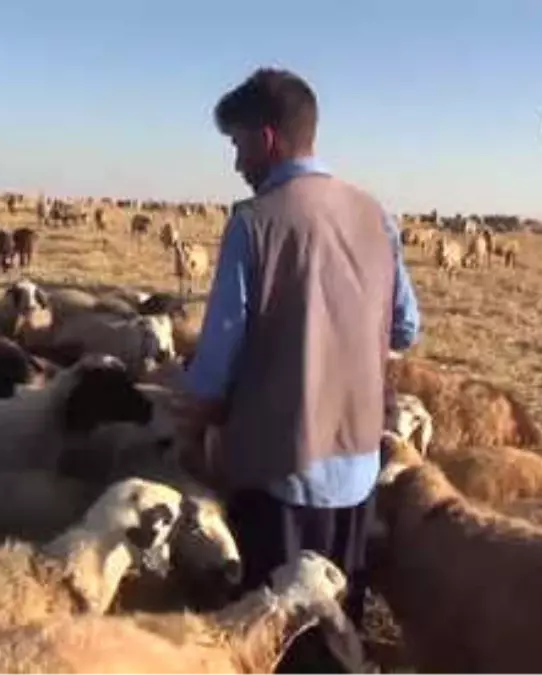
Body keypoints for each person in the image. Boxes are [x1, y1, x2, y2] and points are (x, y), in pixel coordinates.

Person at [171, 67, 421, 671]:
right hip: (359, 465)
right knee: (339, 622)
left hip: (278, 472)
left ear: (267, 138)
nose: (236, 163)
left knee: (274, 631)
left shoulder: (254, 221)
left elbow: (217, 362)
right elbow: (406, 328)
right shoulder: (375, 216)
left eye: (236, 144)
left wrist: (192, 427)